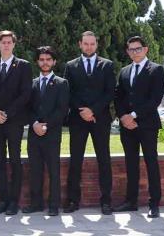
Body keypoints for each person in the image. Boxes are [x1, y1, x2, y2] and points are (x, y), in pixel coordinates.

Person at [64, 31, 115, 215]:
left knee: (104, 160)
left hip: (100, 119)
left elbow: (110, 92)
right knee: (75, 160)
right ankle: (72, 200)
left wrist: (93, 110)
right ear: (80, 44)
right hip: (78, 120)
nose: (89, 47)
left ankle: (106, 201)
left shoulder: (107, 65)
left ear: (97, 45)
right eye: (86, 44)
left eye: (92, 44)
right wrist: (83, 111)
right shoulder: (70, 66)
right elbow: (68, 92)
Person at [113, 36, 164, 218]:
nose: (135, 52)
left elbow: (155, 99)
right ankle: (131, 201)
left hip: (147, 125)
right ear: (127, 52)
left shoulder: (156, 70)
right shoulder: (124, 71)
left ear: (145, 49)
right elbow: (118, 97)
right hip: (127, 126)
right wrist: (123, 117)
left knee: (151, 163)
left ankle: (154, 204)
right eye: (131, 49)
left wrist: (134, 115)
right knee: (131, 163)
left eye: (138, 48)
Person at [0, 30, 32, 215]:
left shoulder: (23, 66)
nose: (6, 45)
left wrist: (7, 113)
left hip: (14, 121)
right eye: (2, 42)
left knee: (14, 161)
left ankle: (14, 201)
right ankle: (3, 201)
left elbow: (26, 93)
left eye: (9, 42)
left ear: (14, 44)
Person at [23, 46, 69, 216]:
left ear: (54, 62)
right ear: (37, 62)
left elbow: (62, 109)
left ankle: (53, 205)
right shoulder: (31, 83)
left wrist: (46, 125)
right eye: (42, 59)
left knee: (53, 170)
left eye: (48, 59)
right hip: (34, 134)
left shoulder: (62, 83)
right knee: (34, 170)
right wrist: (34, 123)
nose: (45, 62)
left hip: (52, 134)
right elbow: (27, 107)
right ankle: (36, 204)